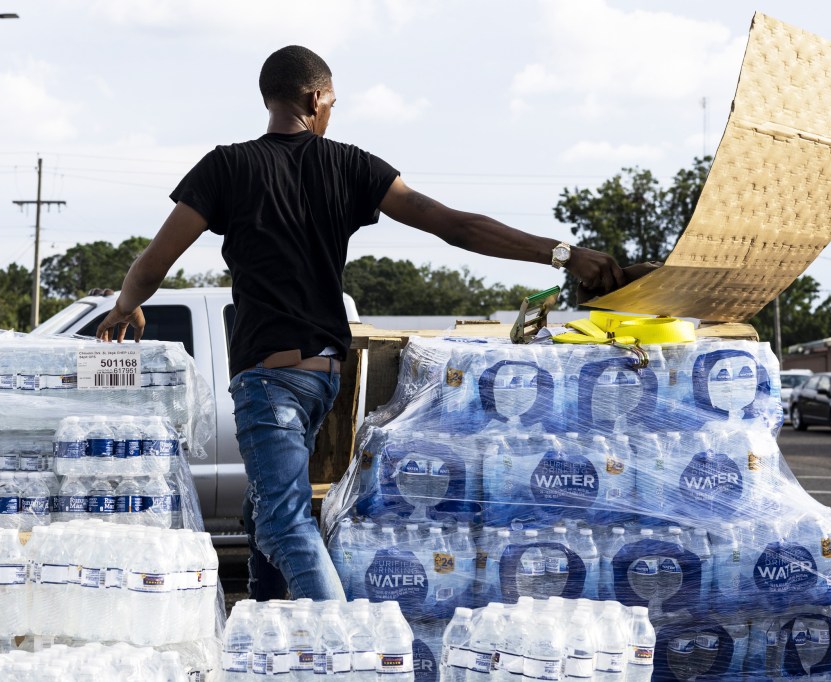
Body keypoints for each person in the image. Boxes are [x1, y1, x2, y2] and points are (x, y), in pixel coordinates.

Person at [96, 45, 628, 601]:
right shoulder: (350, 165)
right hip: (321, 378)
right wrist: (561, 254)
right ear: (315, 97)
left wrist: (128, 302)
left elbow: (153, 262)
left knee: (282, 522)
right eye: (332, 103)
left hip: (269, 380)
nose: (332, 113)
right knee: (264, 516)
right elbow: (454, 225)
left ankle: (340, 646)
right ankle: (267, 630)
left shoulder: (225, 167)